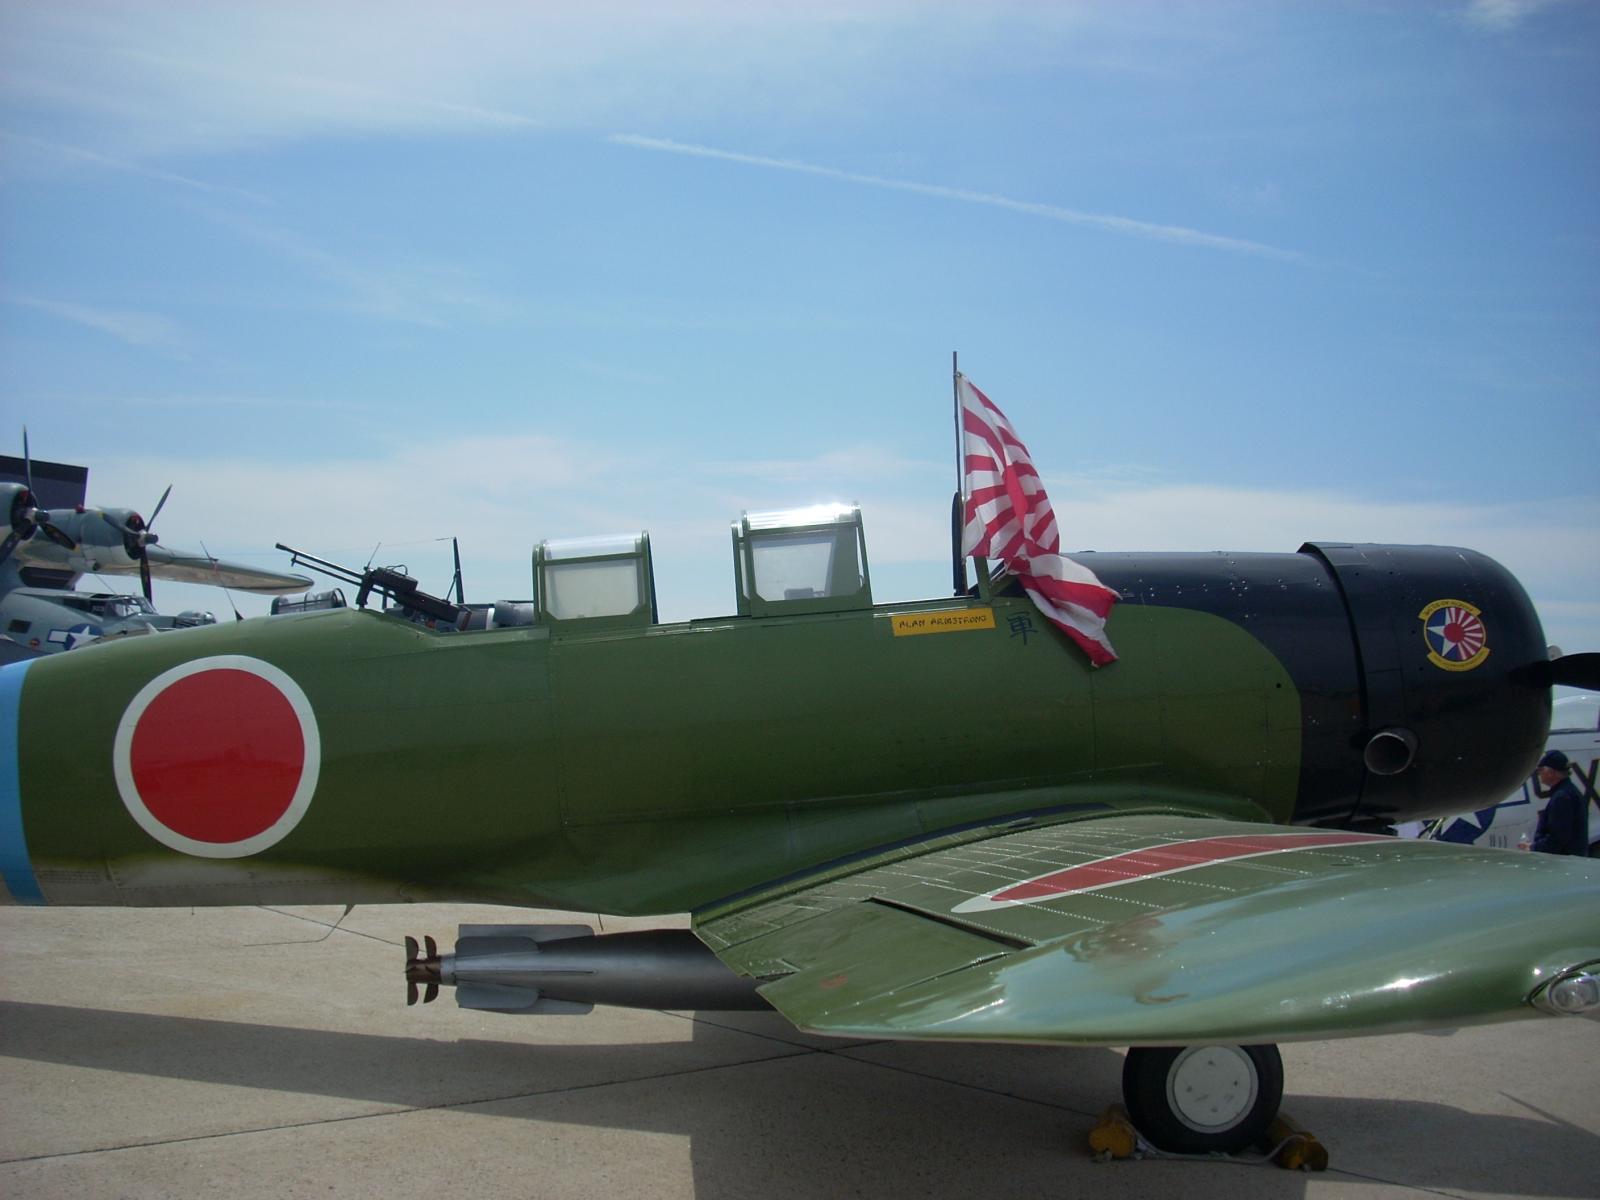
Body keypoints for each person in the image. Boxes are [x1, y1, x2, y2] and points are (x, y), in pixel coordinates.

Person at [1529, 750, 1588, 856]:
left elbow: (1557, 839)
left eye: (1541, 770)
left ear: (1551, 773)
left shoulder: (1562, 797)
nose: (1538, 774)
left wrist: (1532, 848)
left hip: (1565, 861)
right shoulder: (1570, 791)